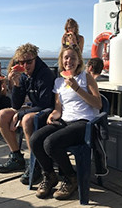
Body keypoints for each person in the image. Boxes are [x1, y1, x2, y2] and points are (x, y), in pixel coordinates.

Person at [30, 44, 102, 200]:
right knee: (35, 139)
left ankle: (71, 177)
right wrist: (53, 115)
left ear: (79, 61)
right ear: (62, 60)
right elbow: (58, 107)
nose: (69, 60)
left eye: (73, 58)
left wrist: (77, 88)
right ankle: (49, 175)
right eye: (66, 57)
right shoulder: (58, 82)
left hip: (84, 123)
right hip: (65, 121)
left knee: (50, 143)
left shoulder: (86, 77)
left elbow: (98, 104)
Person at [0, 43, 55, 184]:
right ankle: (16, 157)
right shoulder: (23, 75)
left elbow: (45, 104)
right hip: (34, 108)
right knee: (1, 115)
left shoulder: (45, 74)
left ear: (36, 59)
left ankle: (36, 165)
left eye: (29, 62)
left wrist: (20, 114)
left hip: (49, 110)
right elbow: (16, 105)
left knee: (27, 119)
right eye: (21, 62)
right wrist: (16, 84)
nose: (25, 65)